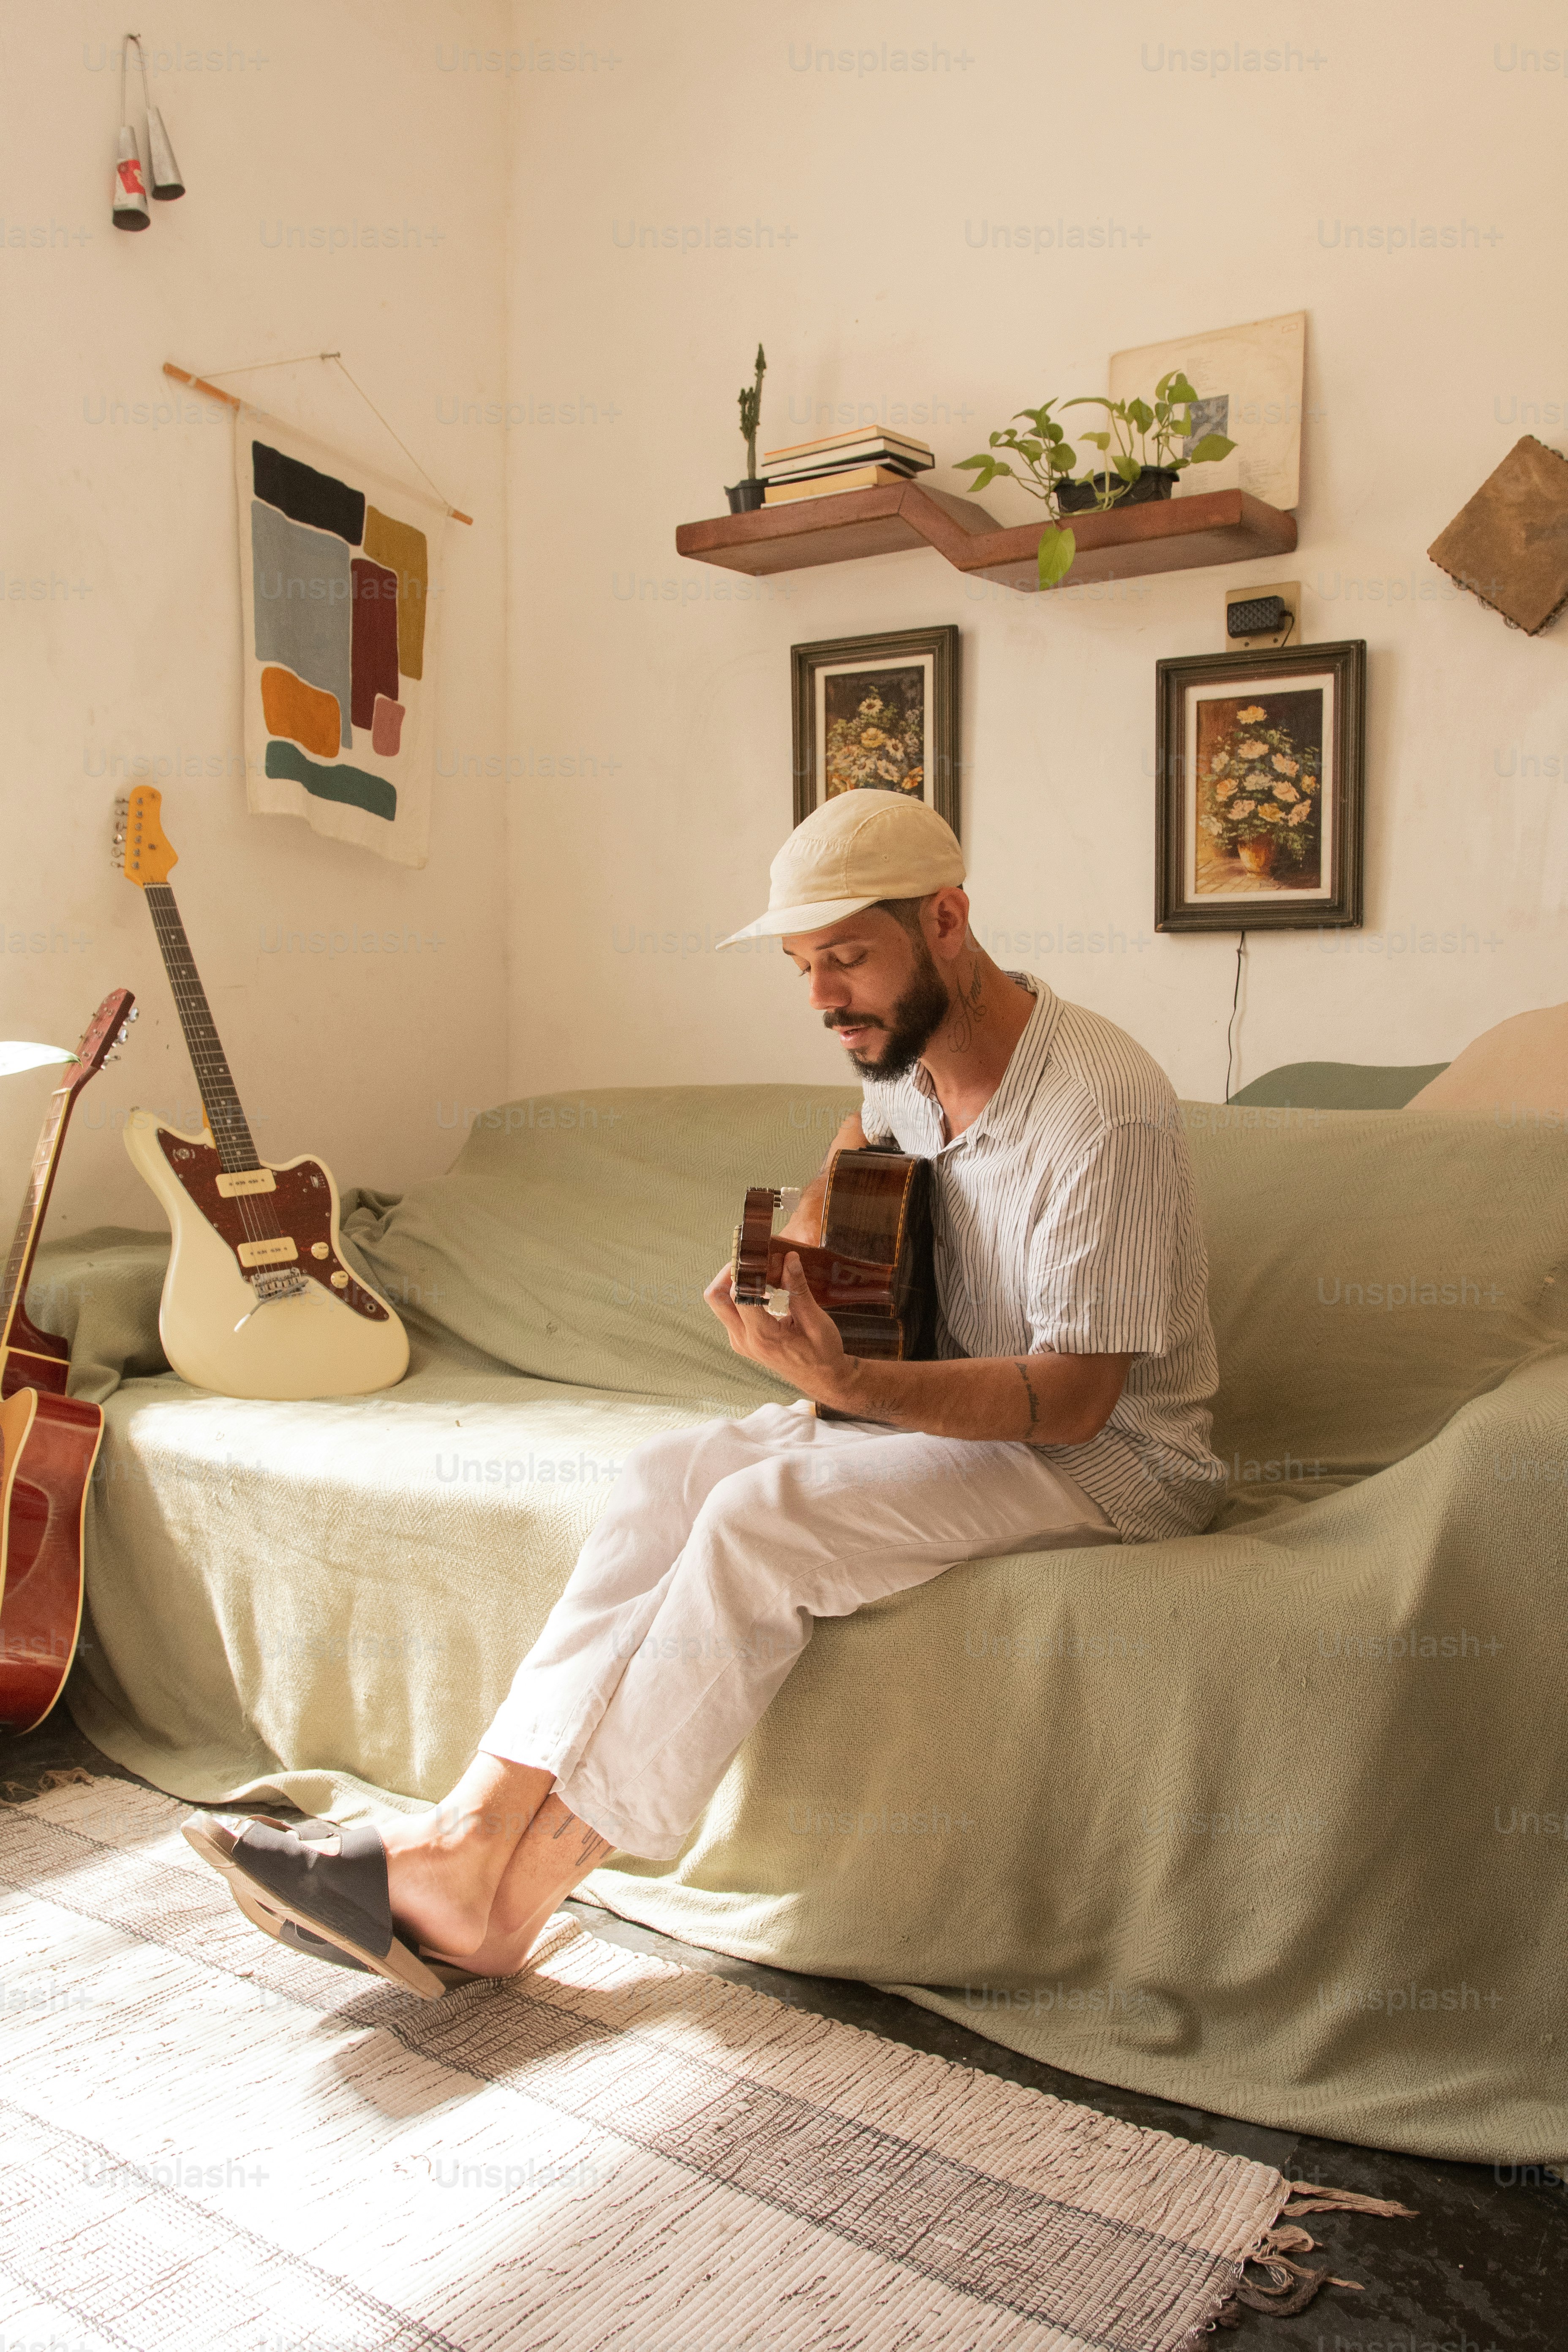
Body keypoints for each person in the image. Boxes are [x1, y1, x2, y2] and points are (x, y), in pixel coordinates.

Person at [185, 790, 1224, 1996]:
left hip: (1111, 1465)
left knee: (756, 1521)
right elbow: (865, 1150)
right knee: (662, 1478)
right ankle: (464, 1833)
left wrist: (853, 1382)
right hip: (947, 1407)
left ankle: (506, 1902)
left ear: (948, 921)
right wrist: (800, 1241)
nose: (825, 998)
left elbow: (1081, 1401)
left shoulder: (1105, 1109)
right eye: (802, 968)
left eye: (847, 958)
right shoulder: (907, 1067)